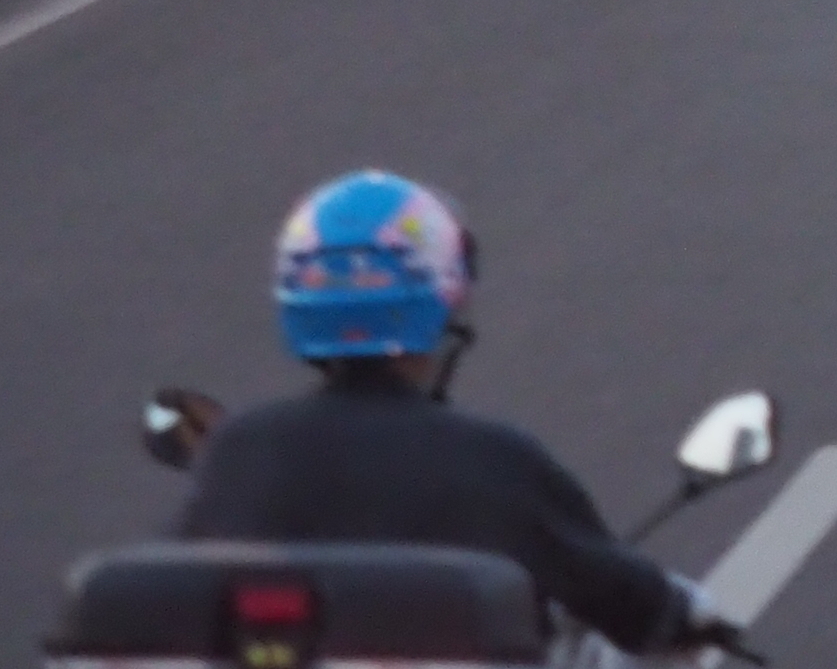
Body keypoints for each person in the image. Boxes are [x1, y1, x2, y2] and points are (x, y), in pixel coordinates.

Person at [177, 174, 737, 656]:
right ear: (445, 292)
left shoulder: (239, 450)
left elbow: (169, 596)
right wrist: (684, 612)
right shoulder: (493, 458)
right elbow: (625, 599)